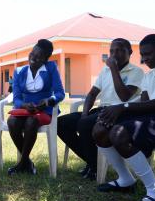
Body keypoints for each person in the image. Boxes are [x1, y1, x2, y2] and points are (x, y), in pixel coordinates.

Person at [92, 34, 155, 201]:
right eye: (143, 55)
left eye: (148, 54)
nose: (145, 59)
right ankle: (125, 179)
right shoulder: (149, 75)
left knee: (119, 132)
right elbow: (145, 103)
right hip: (151, 116)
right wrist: (120, 109)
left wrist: (124, 107)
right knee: (100, 128)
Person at [58, 38, 144, 180]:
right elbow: (92, 94)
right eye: (111, 51)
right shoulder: (105, 70)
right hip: (100, 110)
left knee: (85, 125)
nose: (114, 54)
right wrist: (84, 114)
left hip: (118, 113)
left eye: (119, 50)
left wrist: (114, 69)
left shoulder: (136, 72)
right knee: (62, 123)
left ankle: (94, 167)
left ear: (130, 52)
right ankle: (93, 163)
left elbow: (124, 96)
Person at [7, 39, 65, 175]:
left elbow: (60, 93)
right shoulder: (19, 71)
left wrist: (48, 101)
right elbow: (16, 98)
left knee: (31, 122)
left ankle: (22, 164)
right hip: (25, 109)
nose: (33, 57)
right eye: (32, 53)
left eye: (38, 56)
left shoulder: (51, 68)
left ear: (45, 59)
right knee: (12, 121)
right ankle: (27, 163)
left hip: (44, 110)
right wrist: (24, 105)